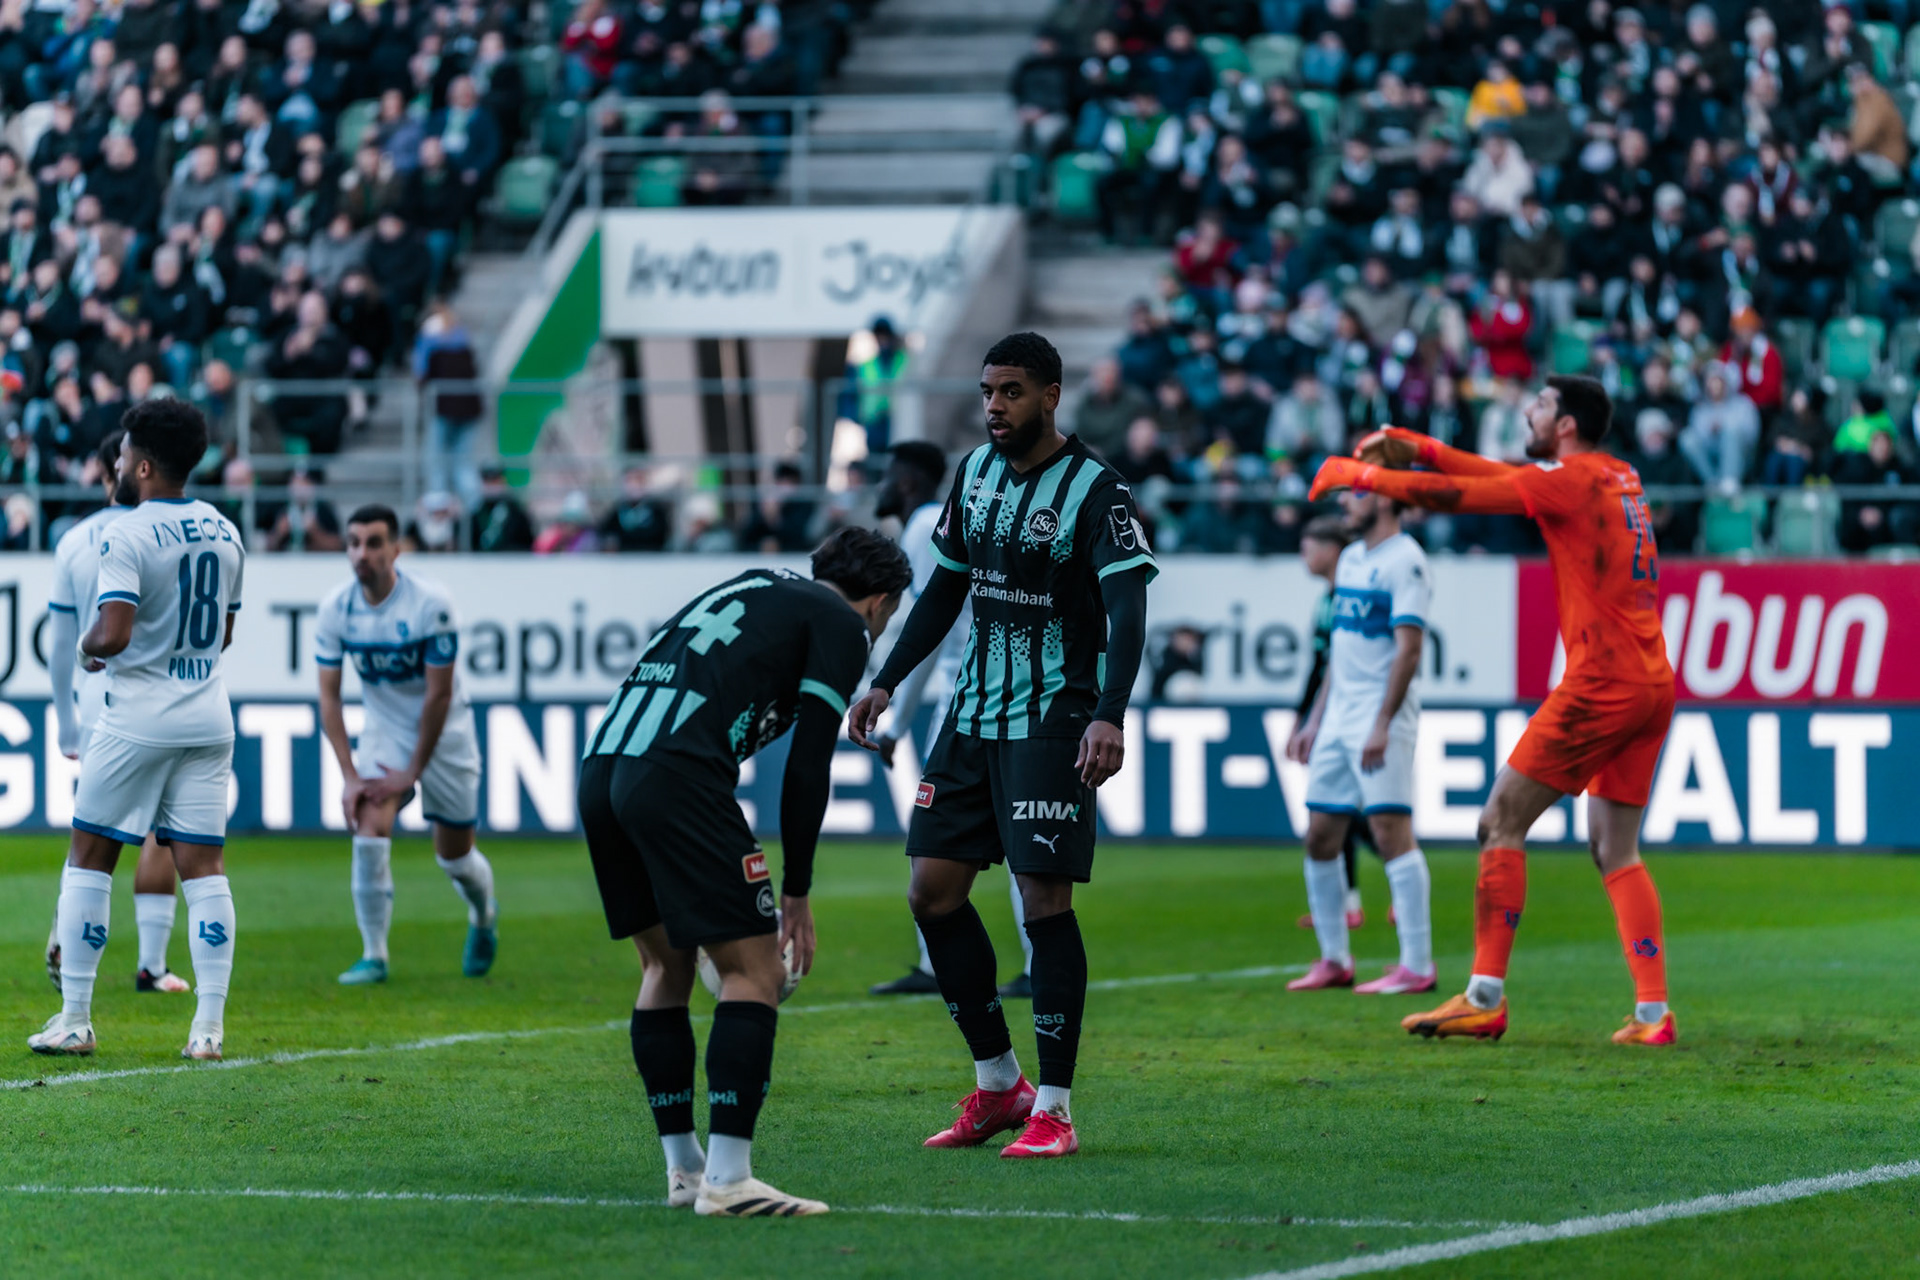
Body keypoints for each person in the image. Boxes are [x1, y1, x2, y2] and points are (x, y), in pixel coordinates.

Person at [847, 332, 1157, 1159]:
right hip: (972, 714)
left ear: (1051, 396)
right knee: (931, 894)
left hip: (1054, 717)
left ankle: (1054, 1106)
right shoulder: (973, 474)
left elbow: (1127, 614)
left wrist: (1109, 713)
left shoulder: (1098, 491)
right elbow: (946, 587)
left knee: (1043, 904)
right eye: (988, 390)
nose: (994, 406)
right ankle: (998, 1084)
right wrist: (887, 677)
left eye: (1011, 391)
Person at [1312, 377, 1679, 1046]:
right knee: (1614, 847)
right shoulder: (1614, 474)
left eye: (1538, 406)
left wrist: (1364, 475)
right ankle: (1654, 1013)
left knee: (1499, 820)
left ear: (1565, 424)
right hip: (1652, 681)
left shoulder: (1569, 479)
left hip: (1602, 682)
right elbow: (1498, 474)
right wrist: (1421, 446)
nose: (1526, 413)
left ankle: (1483, 996)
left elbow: (1471, 495)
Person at [578, 527, 912, 1217]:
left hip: (604, 766)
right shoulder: (840, 626)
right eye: (889, 618)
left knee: (664, 969)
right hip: (676, 773)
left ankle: (685, 1170)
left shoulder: (758, 586)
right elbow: (809, 763)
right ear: (878, 603)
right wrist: (796, 891)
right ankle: (729, 1180)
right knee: (755, 971)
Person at [31, 400, 242, 1061]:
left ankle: (74, 1019)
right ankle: (207, 1031)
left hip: (138, 717)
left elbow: (112, 633)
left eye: (122, 454)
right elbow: (225, 632)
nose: (116, 463)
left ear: (143, 466)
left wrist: (91, 650)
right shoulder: (225, 529)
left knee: (89, 855)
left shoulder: (122, 534)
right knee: (204, 870)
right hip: (209, 715)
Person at [865, 442, 1032, 1000]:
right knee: (1013, 834)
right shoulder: (936, 522)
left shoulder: (922, 529)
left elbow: (931, 628)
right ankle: (962, 962)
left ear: (908, 480)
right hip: (978, 695)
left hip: (966, 701)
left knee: (937, 835)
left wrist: (893, 719)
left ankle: (943, 964)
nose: (881, 487)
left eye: (888, 475)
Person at [316, 505, 496, 985]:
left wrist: (413, 772)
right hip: (385, 733)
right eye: (354, 543)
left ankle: (483, 916)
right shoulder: (336, 608)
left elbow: (438, 694)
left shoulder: (430, 604)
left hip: (446, 735)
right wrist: (350, 776)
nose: (362, 554)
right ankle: (374, 955)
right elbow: (328, 699)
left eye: (374, 543)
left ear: (396, 549)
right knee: (370, 827)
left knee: (455, 858)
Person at [42, 429, 189, 998]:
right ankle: (151, 965)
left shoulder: (75, 542)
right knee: (161, 833)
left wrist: (65, 720)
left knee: (90, 836)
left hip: (95, 701)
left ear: (116, 473)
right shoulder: (177, 533)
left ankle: (67, 938)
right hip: (158, 699)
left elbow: (61, 646)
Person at [1285, 488, 1434, 995]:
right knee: (1321, 836)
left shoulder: (1407, 561)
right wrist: (1313, 721)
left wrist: (1382, 722)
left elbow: (1409, 651)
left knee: (1392, 833)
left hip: (1378, 718)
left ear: (1390, 501)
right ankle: (1334, 960)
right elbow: (1341, 655)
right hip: (1336, 718)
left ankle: (1417, 965)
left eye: (1360, 493)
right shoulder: (1350, 558)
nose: (1347, 502)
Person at [1285, 514, 1375, 933]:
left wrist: (1310, 720)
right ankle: (1350, 902)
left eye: (1309, 547)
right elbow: (1319, 667)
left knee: (1352, 811)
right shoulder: (1328, 598)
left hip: (1351, 715)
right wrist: (1301, 718)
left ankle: (1394, 870)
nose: (1304, 555)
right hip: (1329, 713)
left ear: (1331, 550)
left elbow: (1335, 665)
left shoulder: (1349, 597)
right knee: (1340, 811)